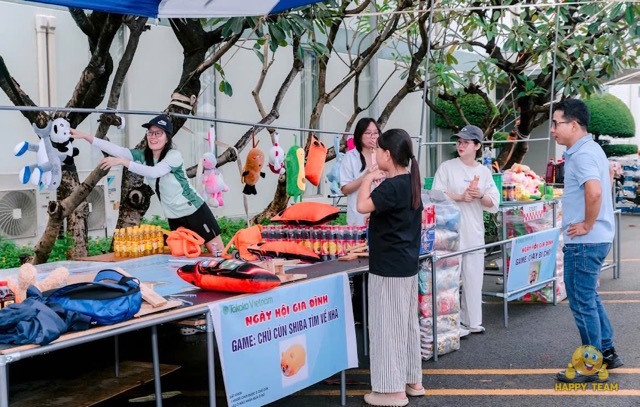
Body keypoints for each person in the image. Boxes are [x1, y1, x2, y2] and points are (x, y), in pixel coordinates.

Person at [71, 114, 224, 255]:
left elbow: (154, 172)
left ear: (167, 137)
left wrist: (123, 162)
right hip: (174, 216)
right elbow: (118, 150)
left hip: (194, 210)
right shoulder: (144, 156)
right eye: (150, 133)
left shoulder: (173, 155)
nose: (153, 137)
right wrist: (86, 136)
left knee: (217, 254)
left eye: (158, 133)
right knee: (184, 256)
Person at [551, 99, 623, 383]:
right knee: (589, 297)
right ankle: (606, 351)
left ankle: (591, 365)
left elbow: (594, 192)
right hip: (596, 238)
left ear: (574, 125)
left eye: (556, 123)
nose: (553, 130)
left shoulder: (582, 155)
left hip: (586, 241)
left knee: (582, 301)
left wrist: (587, 225)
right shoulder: (591, 149)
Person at [356, 128, 423, 407]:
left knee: (386, 328)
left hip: (388, 267)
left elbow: (362, 206)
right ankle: (412, 380)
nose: (374, 155)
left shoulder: (391, 186)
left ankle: (391, 390)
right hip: (407, 264)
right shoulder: (410, 182)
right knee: (406, 325)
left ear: (387, 154)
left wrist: (367, 178)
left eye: (377, 150)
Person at [432, 125, 499, 335]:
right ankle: (450, 323)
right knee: (448, 280)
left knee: (473, 278)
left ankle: (472, 321)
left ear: (477, 146)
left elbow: (494, 202)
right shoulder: (447, 167)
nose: (461, 145)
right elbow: (435, 194)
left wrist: (480, 195)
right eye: (459, 142)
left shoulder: (484, 172)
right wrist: (460, 196)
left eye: (466, 142)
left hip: (474, 232)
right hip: (449, 232)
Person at [340, 117, 381, 226]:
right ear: (359, 135)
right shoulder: (350, 157)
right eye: (368, 133)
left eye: (375, 133)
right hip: (358, 217)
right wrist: (366, 176)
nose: (373, 136)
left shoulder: (383, 155)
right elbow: (345, 189)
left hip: (381, 215)